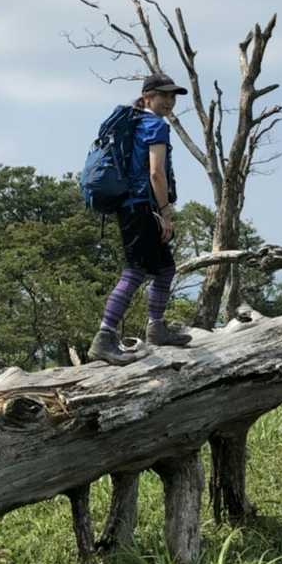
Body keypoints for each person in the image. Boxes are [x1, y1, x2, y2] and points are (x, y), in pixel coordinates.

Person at [88, 72, 196, 364]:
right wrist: (165, 212)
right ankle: (104, 337)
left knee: (165, 268)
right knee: (135, 271)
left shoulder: (136, 122)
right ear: (148, 97)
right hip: (141, 208)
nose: (169, 101)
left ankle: (156, 328)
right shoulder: (155, 125)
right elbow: (156, 173)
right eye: (164, 96)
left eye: (173, 96)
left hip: (133, 206)